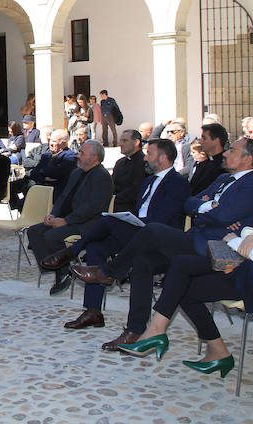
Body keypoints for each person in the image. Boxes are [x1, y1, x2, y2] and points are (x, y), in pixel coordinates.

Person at [70, 137, 253, 352]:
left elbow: (222, 215)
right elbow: (191, 203)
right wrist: (207, 208)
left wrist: (206, 209)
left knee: (152, 230)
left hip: (220, 249)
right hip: (200, 238)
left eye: (232, 150)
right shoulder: (223, 178)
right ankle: (135, 330)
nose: (225, 153)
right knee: (142, 261)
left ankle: (109, 271)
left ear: (247, 158)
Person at [118, 149, 253, 377]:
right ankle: (216, 351)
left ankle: (156, 330)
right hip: (242, 268)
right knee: (181, 281)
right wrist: (250, 233)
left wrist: (233, 240)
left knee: (179, 267)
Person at [40, 139, 190, 324]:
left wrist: (131, 222)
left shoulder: (178, 183)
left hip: (158, 237)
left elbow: (164, 219)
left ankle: (72, 251)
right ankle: (93, 312)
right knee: (96, 248)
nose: (145, 158)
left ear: (164, 158)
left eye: (149, 154)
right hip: (135, 234)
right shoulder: (149, 181)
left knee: (108, 219)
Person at [26, 140, 113, 294]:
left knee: (52, 236)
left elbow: (92, 208)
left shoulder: (102, 176)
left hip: (88, 223)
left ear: (94, 158)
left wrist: (66, 221)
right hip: (67, 218)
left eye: (82, 153)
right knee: (34, 231)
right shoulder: (77, 172)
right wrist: (53, 214)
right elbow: (64, 197)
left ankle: (62, 271)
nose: (77, 156)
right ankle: (62, 270)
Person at [9, 129, 77, 209]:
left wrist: (41, 171)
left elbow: (57, 173)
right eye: (50, 140)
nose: (51, 143)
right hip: (40, 187)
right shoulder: (46, 155)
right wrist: (44, 177)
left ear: (64, 143)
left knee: (26, 203)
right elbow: (34, 173)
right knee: (21, 201)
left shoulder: (70, 157)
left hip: (54, 192)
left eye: (54, 141)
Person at [110, 129, 148, 214]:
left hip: (129, 209)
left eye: (125, 141)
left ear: (136, 142)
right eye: (120, 141)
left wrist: (114, 199)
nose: (121, 144)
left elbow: (135, 191)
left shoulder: (143, 163)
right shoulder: (120, 162)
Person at [189, 123, 227, 195]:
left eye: (204, 138)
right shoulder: (202, 164)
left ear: (216, 141)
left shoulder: (226, 165)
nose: (200, 141)